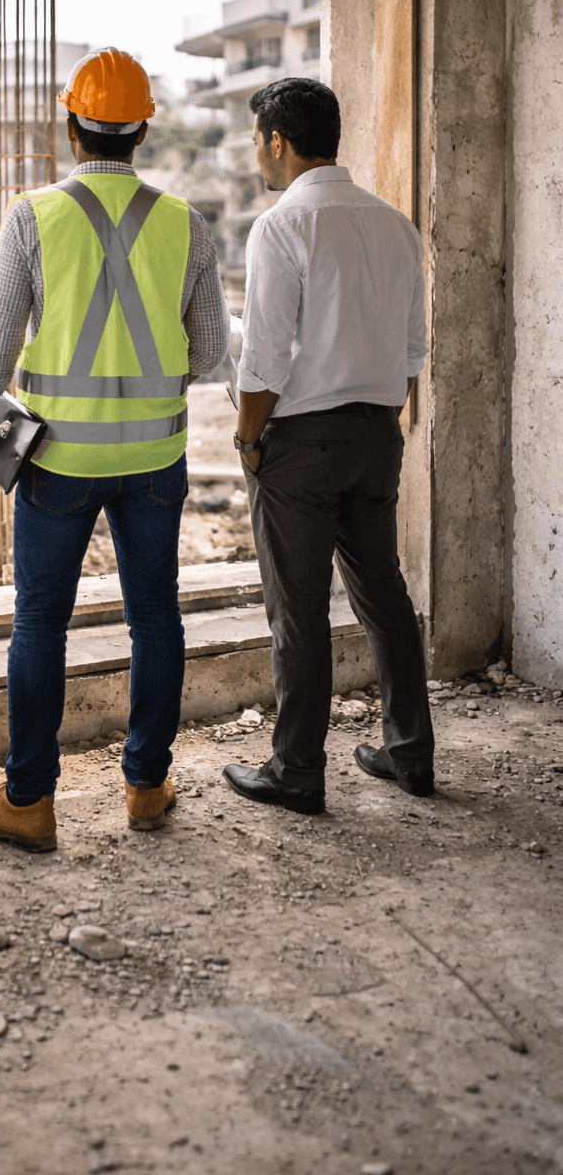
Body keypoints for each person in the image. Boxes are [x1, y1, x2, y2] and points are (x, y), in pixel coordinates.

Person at [0, 47, 229, 850]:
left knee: (40, 622)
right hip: (152, 460)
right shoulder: (188, 223)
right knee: (156, 619)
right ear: (143, 129)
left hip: (59, 463)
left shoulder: (33, 215)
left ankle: (30, 803)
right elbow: (209, 352)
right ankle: (146, 787)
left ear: (70, 125)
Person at [223, 76, 434, 816]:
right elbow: (413, 349)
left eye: (257, 141)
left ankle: (297, 771)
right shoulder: (394, 224)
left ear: (279, 142)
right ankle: (411, 754)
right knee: (385, 595)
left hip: (302, 443)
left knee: (299, 610)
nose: (256, 154)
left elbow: (264, 360)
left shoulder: (283, 225)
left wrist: (249, 441)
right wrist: (380, 422)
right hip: (378, 434)